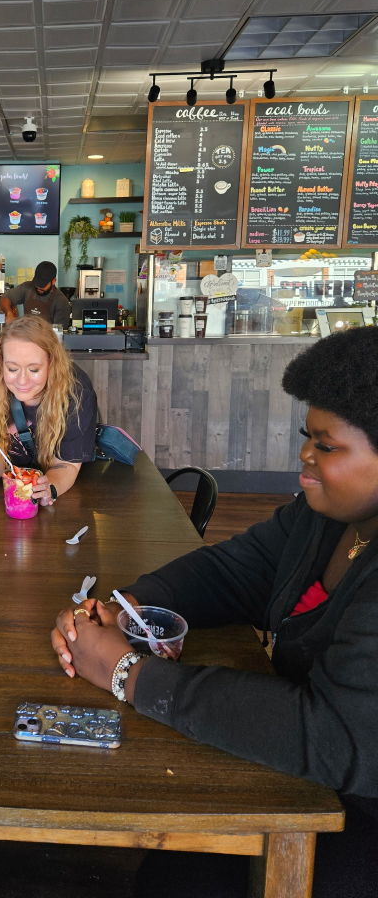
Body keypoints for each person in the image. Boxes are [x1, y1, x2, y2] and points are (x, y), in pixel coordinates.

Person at [51, 325, 378, 897]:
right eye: (307, 437)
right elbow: (235, 570)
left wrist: (130, 674)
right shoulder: (324, 517)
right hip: (296, 773)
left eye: (326, 447)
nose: (304, 455)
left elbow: (333, 736)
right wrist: (129, 607)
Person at [0, 315, 97, 503]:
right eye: (12, 369)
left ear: (52, 363)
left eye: (34, 370)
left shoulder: (76, 392)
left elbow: (66, 465)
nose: (22, 381)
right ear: (0, 363)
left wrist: (49, 488)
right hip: (4, 497)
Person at [0, 260, 71, 329]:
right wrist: (9, 313)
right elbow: (5, 298)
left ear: (54, 281)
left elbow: (58, 334)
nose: (39, 288)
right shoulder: (27, 287)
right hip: (26, 334)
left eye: (43, 285)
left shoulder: (61, 301)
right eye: (37, 284)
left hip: (46, 337)